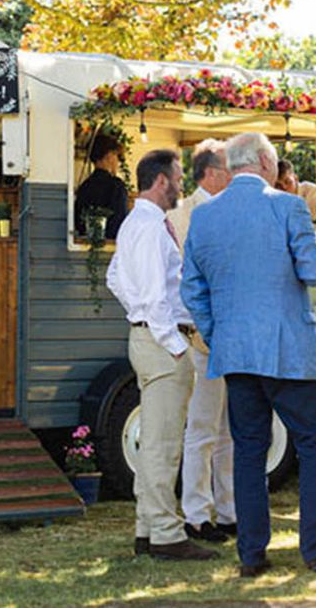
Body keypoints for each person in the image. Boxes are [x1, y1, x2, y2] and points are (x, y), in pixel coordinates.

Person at [181, 131, 316, 577]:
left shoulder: (205, 217)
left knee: (248, 452)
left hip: (234, 354)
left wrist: (219, 335)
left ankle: (252, 555)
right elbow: (311, 269)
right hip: (289, 348)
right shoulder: (288, 206)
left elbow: (191, 288)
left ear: (232, 168)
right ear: (267, 163)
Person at [106, 148, 215, 561]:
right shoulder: (151, 228)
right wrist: (174, 345)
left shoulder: (138, 222)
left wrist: (140, 316)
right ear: (162, 180)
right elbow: (154, 296)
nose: (182, 183)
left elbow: (115, 277)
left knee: (155, 439)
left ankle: (148, 529)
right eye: (179, 175)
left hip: (148, 337)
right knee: (164, 444)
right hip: (162, 341)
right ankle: (167, 535)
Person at [167, 139, 236, 544]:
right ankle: (196, 514)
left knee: (230, 429)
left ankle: (228, 511)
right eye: (229, 169)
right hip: (201, 335)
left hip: (233, 334)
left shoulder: (230, 211)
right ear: (212, 173)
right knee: (203, 428)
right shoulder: (181, 216)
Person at [75, 133, 128, 241]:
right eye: (116, 156)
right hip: (111, 246)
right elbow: (120, 222)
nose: (117, 162)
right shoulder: (116, 186)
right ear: (109, 156)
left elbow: (78, 221)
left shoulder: (84, 187)